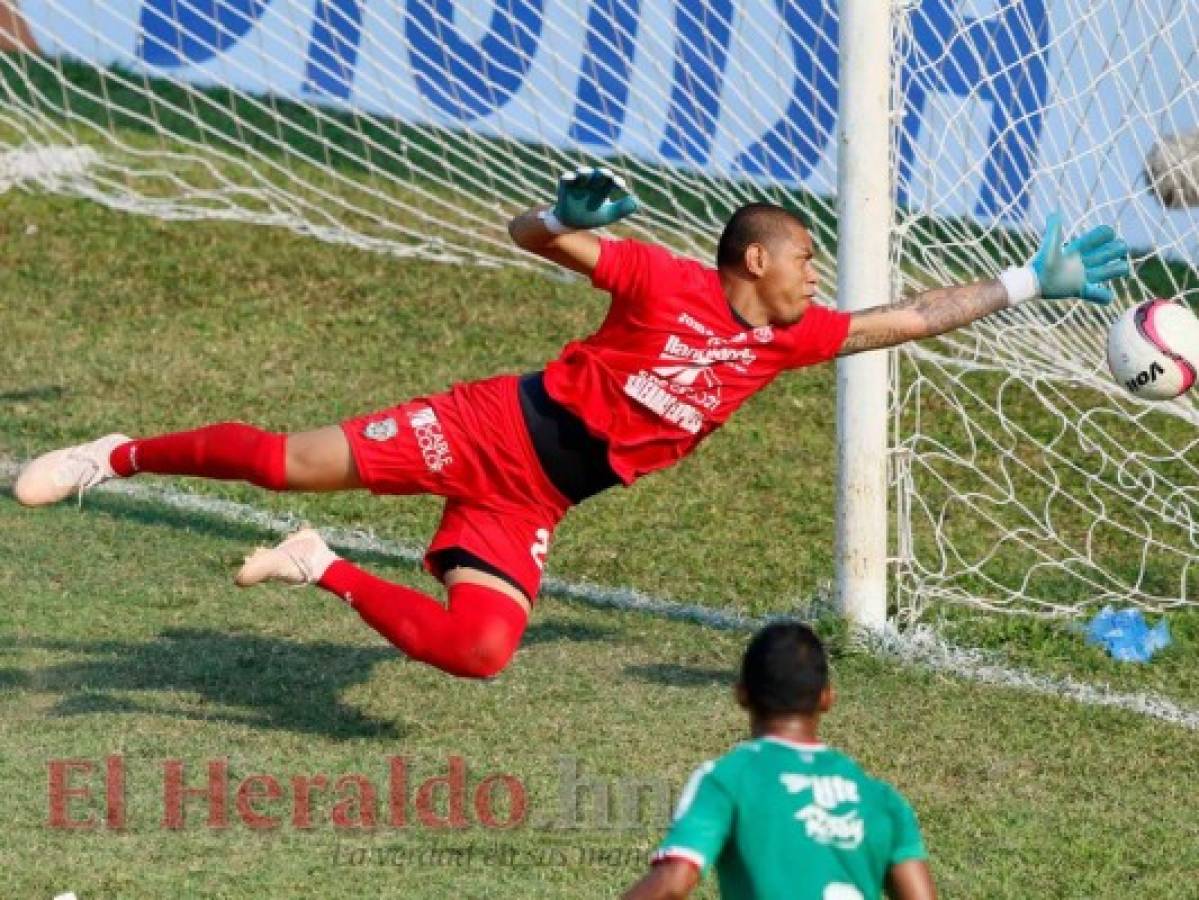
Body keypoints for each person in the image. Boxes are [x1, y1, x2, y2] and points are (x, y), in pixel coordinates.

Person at [13, 167, 1130, 679]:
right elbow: (528, 237)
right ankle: (107, 453)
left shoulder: (794, 336)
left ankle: (320, 569)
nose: (816, 274)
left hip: (536, 498)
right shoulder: (658, 280)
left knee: (482, 652)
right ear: (754, 259)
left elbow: (913, 315)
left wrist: (1023, 285)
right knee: (279, 461)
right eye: (803, 256)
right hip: (492, 429)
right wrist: (558, 217)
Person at [622, 621, 936, 900]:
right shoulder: (882, 800)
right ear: (826, 698)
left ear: (742, 695)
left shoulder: (727, 780)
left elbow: (674, 882)